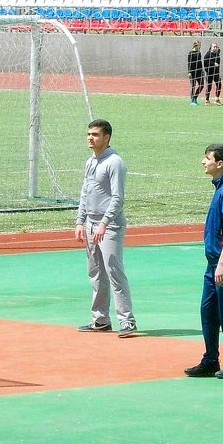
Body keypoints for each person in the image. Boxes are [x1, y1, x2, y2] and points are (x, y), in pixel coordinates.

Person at [184, 143, 223, 379]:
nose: (203, 161)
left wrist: (222, 263)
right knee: (208, 310)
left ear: (219, 164)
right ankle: (210, 359)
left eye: (207, 158)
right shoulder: (219, 189)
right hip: (213, 263)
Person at [73, 119, 137, 337]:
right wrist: (80, 221)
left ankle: (127, 321)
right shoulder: (90, 162)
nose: (90, 138)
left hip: (109, 225)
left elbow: (118, 198)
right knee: (96, 272)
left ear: (107, 137)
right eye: (89, 134)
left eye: (95, 135)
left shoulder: (115, 162)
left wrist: (104, 223)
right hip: (91, 223)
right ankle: (100, 319)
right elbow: (85, 193)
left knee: (114, 271)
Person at [187, 41, 204, 105]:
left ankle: (195, 97)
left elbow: (200, 62)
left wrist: (202, 70)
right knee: (193, 86)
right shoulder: (190, 53)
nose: (200, 47)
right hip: (193, 72)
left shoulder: (199, 52)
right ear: (196, 46)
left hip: (199, 72)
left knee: (201, 85)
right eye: (199, 46)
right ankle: (192, 100)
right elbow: (189, 63)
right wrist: (189, 72)